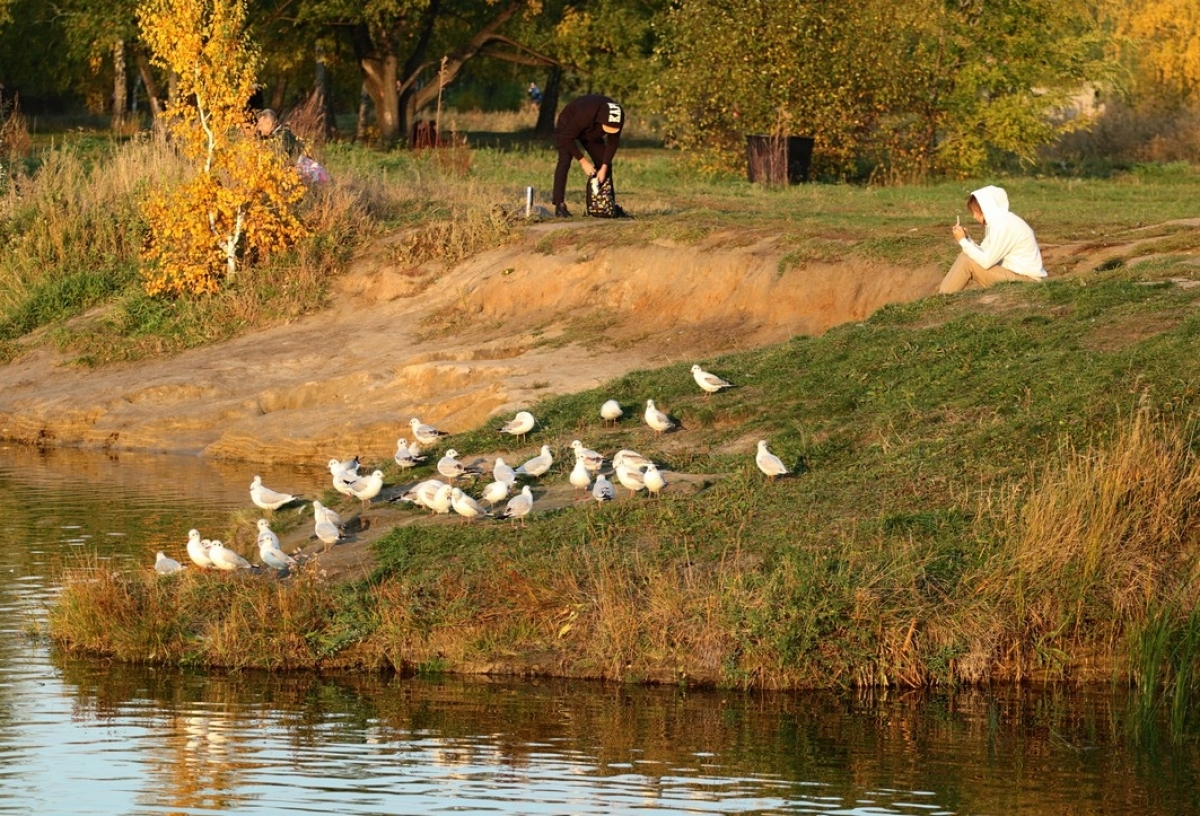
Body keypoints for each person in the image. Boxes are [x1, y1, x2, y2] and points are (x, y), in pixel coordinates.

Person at [939, 185, 1046, 293]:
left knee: (967, 260)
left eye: (976, 211)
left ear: (986, 207)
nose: (974, 217)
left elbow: (986, 262)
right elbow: (984, 252)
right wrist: (967, 239)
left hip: (1026, 282)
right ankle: (941, 297)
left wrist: (962, 241)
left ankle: (940, 300)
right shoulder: (999, 222)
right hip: (1016, 276)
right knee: (966, 256)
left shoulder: (1005, 225)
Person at [552, 94, 625, 218]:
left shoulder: (618, 116)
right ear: (600, 120)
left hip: (591, 132)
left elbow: (613, 143)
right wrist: (583, 161)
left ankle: (607, 205)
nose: (608, 132)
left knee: (604, 163)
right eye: (606, 128)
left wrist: (604, 166)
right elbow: (567, 138)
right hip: (568, 126)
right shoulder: (585, 114)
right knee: (564, 160)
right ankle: (559, 205)